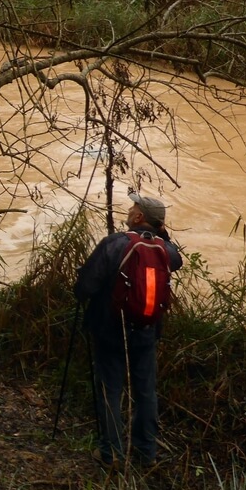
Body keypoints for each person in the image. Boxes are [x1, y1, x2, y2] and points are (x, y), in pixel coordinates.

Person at [73, 191, 182, 468]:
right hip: (146, 330)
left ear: (138, 216)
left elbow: (85, 288)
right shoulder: (166, 251)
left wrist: (81, 285)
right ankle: (146, 453)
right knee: (146, 391)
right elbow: (176, 260)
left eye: (134, 206)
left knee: (110, 389)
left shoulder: (114, 244)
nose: (130, 209)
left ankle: (112, 455)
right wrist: (162, 234)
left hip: (110, 330)